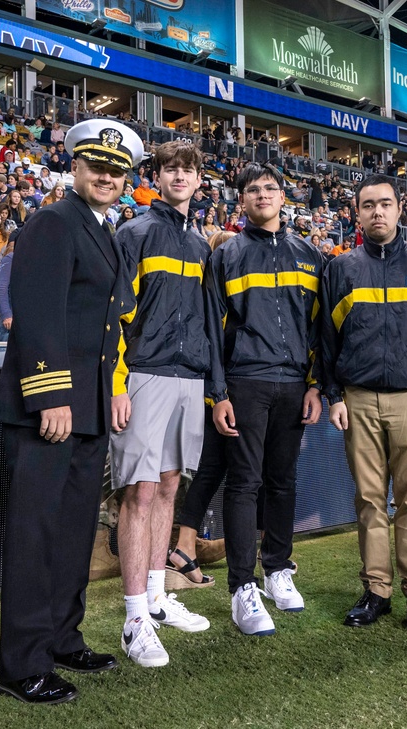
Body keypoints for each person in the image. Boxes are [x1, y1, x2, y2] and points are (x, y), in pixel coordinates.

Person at [0, 119, 144, 705]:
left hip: (88, 408)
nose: (106, 176)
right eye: (96, 166)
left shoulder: (103, 229)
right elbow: (37, 313)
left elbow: (105, 327)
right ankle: (20, 665)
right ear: (74, 169)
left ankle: (61, 637)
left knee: (75, 529)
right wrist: (51, 394)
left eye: (116, 170)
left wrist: (109, 390)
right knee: (36, 535)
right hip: (50, 406)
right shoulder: (54, 222)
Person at [321, 174, 407, 633]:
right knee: (370, 501)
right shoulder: (341, 268)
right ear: (356, 213)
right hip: (357, 399)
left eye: (386, 204)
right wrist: (333, 395)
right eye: (369, 205)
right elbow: (327, 341)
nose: (378, 212)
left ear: (400, 210)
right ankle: (377, 589)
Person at [205, 162, 324, 636]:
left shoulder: (311, 254)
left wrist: (317, 385)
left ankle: (277, 569)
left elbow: (320, 329)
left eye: (270, 188)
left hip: (295, 384)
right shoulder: (227, 254)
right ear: (242, 200)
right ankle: (241, 588)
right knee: (244, 484)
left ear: (283, 197)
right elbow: (213, 332)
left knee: (283, 482)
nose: (262, 195)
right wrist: (218, 393)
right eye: (252, 189)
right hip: (245, 381)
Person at [109, 141, 213, 669]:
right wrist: (117, 384)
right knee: (141, 492)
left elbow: (207, 323)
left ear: (199, 181)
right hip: (144, 375)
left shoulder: (200, 243)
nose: (179, 176)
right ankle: (133, 619)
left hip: (188, 378)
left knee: (170, 486)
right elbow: (116, 317)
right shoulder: (134, 232)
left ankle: (154, 598)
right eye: (170, 168)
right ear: (157, 176)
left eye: (188, 170)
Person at [167, 228, 237, 590]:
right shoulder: (217, 297)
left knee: (211, 472)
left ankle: (184, 547)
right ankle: (182, 547)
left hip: (210, 392)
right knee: (216, 472)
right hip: (217, 394)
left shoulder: (212, 293)